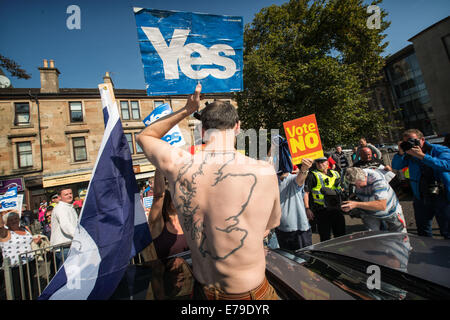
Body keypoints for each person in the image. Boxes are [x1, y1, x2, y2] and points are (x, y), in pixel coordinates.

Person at [136, 84, 281, 300]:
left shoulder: (180, 166)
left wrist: (186, 110)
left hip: (202, 293)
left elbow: (144, 137)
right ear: (238, 127)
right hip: (250, 296)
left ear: (202, 131)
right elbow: (270, 225)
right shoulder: (263, 171)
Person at [391, 129, 450, 239]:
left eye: (412, 141)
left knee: (447, 230)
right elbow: (396, 166)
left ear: (422, 140)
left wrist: (422, 156)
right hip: (421, 196)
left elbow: (446, 165)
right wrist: (400, 152)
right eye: (406, 142)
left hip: (442, 196)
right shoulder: (408, 154)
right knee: (423, 231)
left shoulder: (439, 150)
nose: (410, 144)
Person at [341, 167, 407, 232]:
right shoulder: (355, 175)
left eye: (359, 185)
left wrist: (356, 204)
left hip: (390, 212)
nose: (357, 187)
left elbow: (381, 205)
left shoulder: (378, 180)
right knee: (373, 238)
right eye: (354, 185)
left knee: (401, 237)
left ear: (365, 177)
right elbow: (353, 194)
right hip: (369, 214)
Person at [148, 168, 189, 259]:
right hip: (168, 272)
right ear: (168, 201)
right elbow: (158, 196)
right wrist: (159, 165)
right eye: (177, 196)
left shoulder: (187, 221)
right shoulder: (158, 224)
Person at [275, 153, 314, 251]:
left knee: (303, 262)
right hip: (280, 229)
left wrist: (304, 168)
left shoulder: (293, 179)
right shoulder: (271, 181)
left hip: (299, 230)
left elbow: (300, 179)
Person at [0, 211, 41, 299]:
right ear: (6, 222)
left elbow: (29, 241)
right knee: (17, 292)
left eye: (16, 218)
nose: (14, 221)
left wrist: (36, 241)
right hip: (14, 267)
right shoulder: (5, 233)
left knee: (29, 290)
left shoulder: (24, 228)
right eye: (11, 220)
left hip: (29, 263)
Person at [304, 157, 346, 242]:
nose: (320, 164)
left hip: (336, 208)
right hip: (322, 210)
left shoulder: (335, 173)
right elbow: (306, 193)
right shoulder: (312, 175)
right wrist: (307, 208)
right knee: (325, 236)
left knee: (341, 235)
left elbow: (342, 187)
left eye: (322, 162)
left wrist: (341, 190)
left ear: (327, 163)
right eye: (318, 163)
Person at [50, 187, 78, 268]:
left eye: (70, 193)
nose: (69, 196)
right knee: (68, 273)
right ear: (59, 197)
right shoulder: (60, 208)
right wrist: (79, 236)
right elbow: (66, 226)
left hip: (70, 245)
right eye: (66, 194)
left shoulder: (69, 207)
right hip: (64, 247)